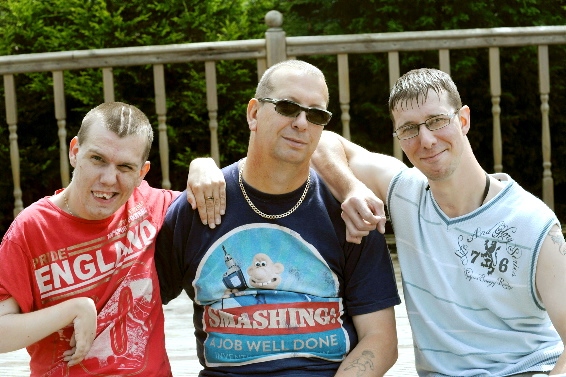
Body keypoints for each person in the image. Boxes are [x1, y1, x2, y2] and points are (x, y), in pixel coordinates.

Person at [308, 68, 566, 376]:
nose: (426, 140)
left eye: (437, 121)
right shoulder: (404, 192)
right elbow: (323, 141)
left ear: (463, 119)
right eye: (409, 129)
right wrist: (351, 188)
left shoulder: (532, 223)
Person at [156, 59, 401, 377]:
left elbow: (380, 339)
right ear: (254, 113)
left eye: (316, 114)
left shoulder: (348, 214)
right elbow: (136, 302)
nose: (302, 122)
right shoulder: (199, 208)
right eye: (288, 107)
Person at [0, 102, 179, 376]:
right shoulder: (31, 229)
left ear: (141, 173)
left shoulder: (152, 205)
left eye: (125, 167)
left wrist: (204, 167)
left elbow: (232, 192)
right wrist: (74, 309)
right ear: (75, 152)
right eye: (98, 159)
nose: (109, 179)